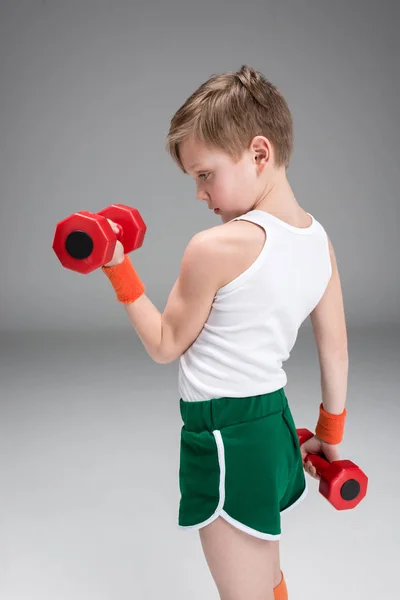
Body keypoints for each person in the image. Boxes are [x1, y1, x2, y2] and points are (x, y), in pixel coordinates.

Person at [101, 65, 348, 600]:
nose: (199, 193)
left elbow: (166, 344)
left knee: (246, 594)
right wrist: (329, 436)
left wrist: (115, 264)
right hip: (276, 430)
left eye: (205, 174)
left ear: (259, 153)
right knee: (266, 578)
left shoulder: (216, 248)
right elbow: (335, 349)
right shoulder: (318, 240)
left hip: (225, 436)